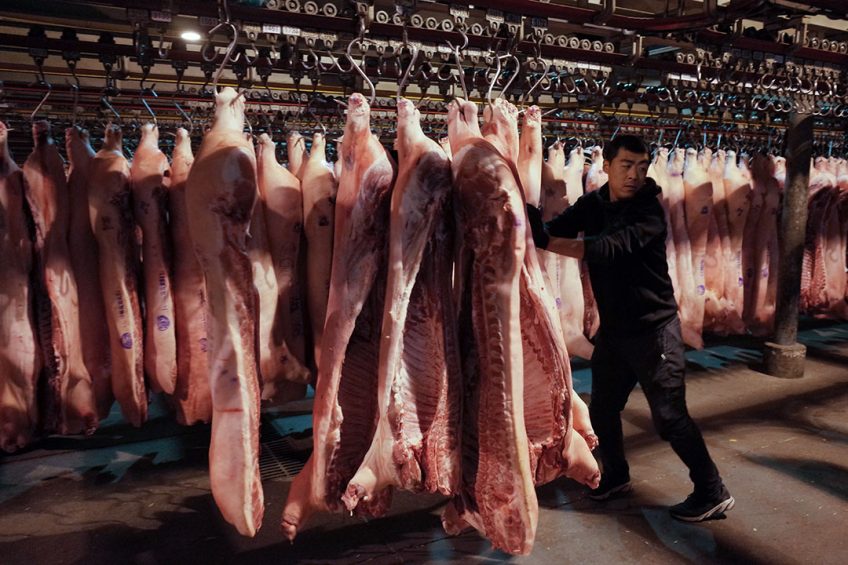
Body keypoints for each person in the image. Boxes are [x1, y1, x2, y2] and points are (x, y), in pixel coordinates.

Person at [525, 135, 734, 522]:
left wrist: (548, 240)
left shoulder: (648, 213)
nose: (635, 175)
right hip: (616, 332)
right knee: (603, 410)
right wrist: (532, 218)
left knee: (670, 417)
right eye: (626, 166)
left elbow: (606, 248)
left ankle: (712, 490)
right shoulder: (595, 203)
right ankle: (616, 476)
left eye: (642, 167)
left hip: (654, 331)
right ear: (606, 165)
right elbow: (560, 227)